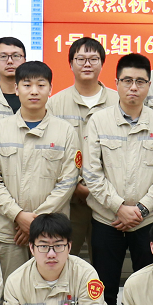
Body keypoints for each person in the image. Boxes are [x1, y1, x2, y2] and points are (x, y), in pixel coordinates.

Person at [81, 53, 153, 305]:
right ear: (116, 83)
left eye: (140, 81)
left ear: (149, 85)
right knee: (105, 289)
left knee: (150, 289)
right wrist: (118, 207)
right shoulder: (98, 122)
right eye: (127, 81)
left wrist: (140, 209)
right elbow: (91, 173)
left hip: (148, 222)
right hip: (106, 221)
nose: (133, 87)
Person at [0, 61, 80, 281]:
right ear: (16, 89)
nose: (34, 91)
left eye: (41, 85)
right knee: (11, 290)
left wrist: (35, 223)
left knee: (52, 290)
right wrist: (18, 216)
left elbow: (68, 182)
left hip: (52, 234)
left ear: (50, 89)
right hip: (9, 232)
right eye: (27, 85)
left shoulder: (65, 132)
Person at [46, 37, 119, 259]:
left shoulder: (118, 102)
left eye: (93, 59)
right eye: (81, 59)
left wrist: (100, 189)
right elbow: (49, 150)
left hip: (108, 199)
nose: (87, 64)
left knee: (105, 262)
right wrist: (75, 184)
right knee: (65, 258)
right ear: (70, 64)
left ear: (102, 63)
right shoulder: (54, 103)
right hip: (69, 200)